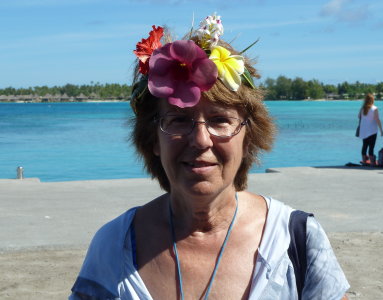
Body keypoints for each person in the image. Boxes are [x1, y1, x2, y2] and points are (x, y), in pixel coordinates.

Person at [69, 14, 349, 300]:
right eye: (178, 120)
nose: (201, 140)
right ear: (154, 138)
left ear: (248, 135)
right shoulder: (114, 246)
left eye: (220, 120)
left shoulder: (296, 239)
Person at [358, 93, 383, 165]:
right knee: (371, 147)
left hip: (364, 131)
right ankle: (372, 163)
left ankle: (364, 161)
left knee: (364, 146)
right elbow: (377, 119)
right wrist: (381, 130)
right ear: (372, 100)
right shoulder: (374, 108)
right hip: (372, 130)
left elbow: (359, 116)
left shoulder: (363, 108)